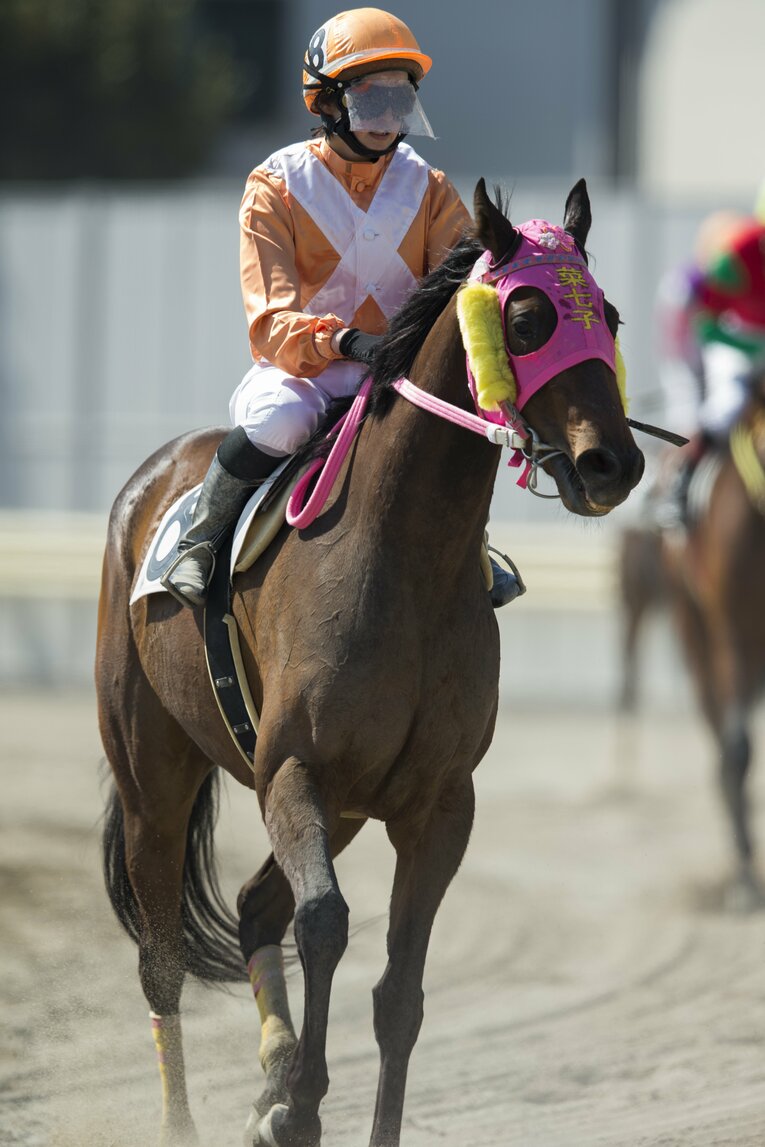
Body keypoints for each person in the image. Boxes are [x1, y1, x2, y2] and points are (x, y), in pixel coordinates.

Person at [162, 7, 521, 609]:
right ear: (326, 103)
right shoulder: (274, 187)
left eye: (400, 100)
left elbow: (470, 285)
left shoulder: (428, 188)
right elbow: (270, 323)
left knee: (450, 433)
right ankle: (201, 537)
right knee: (280, 421)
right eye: (369, 99)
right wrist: (347, 343)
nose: (386, 118)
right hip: (303, 373)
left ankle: (473, 546)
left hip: (396, 377)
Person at [657, 207, 765, 527]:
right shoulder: (716, 269)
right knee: (727, 404)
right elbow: (705, 329)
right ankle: (678, 486)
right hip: (733, 343)